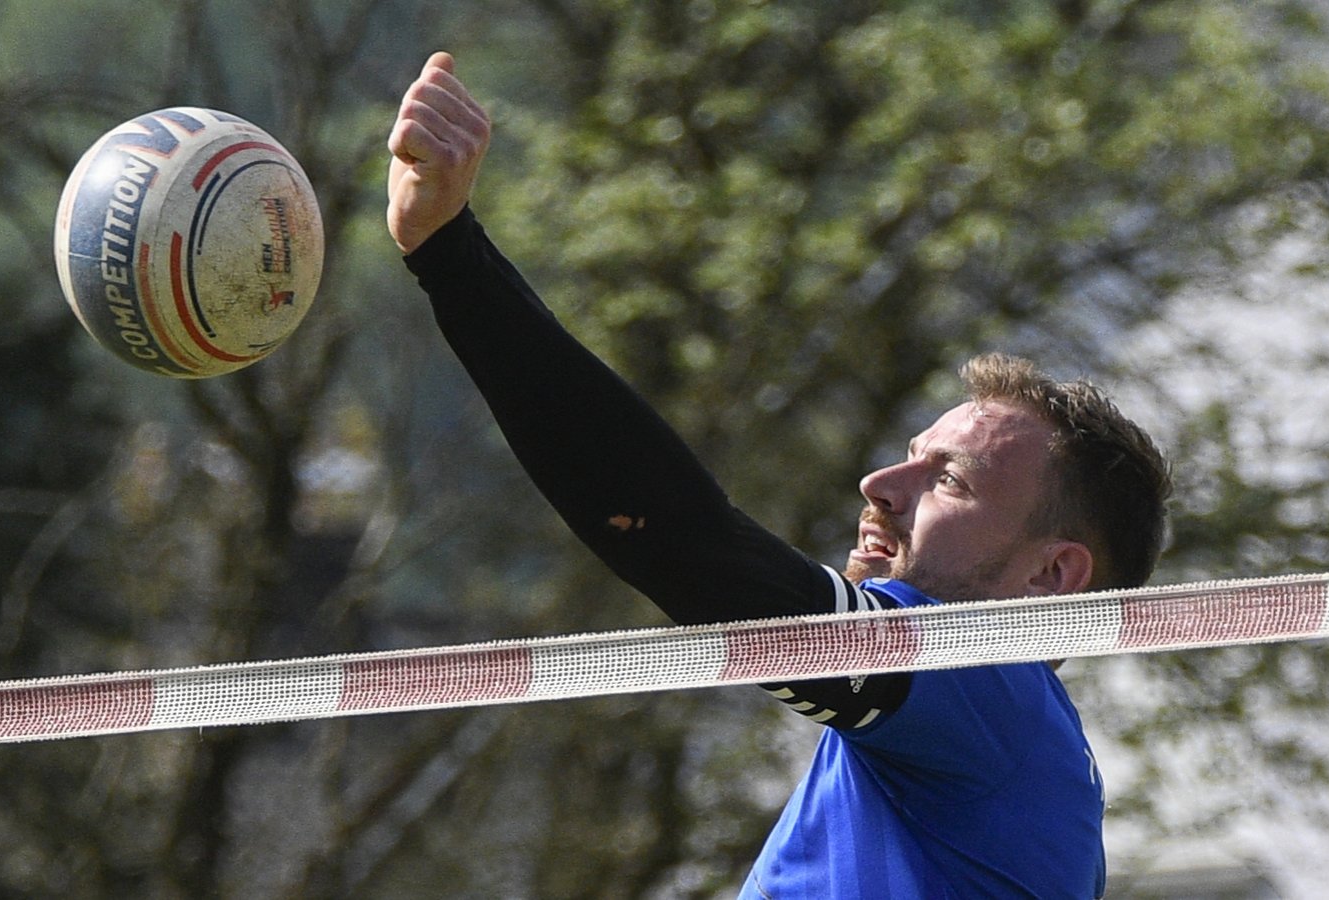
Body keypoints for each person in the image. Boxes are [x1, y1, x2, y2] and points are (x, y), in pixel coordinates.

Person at [386, 52, 1172, 899]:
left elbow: (680, 540)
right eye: (909, 453)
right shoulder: (960, 744)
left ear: (1053, 576)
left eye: (950, 480)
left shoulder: (990, 689)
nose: (880, 482)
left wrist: (450, 255)